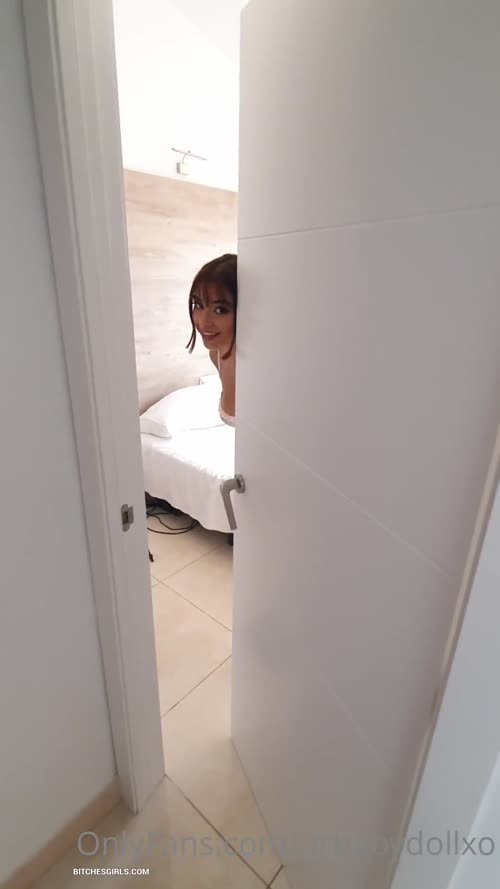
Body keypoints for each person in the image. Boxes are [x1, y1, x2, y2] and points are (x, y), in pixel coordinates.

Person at [186, 253, 237, 426]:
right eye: (198, 305)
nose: (203, 322)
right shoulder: (216, 354)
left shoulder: (257, 364)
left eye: (220, 310)